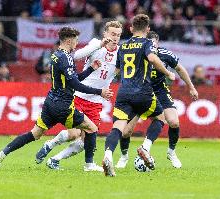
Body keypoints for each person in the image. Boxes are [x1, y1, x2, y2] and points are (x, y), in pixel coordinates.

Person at [0, 27, 113, 170]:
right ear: (69, 40)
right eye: (76, 40)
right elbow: (75, 84)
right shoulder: (66, 58)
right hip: (63, 106)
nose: (76, 44)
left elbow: (72, 80)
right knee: (92, 128)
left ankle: (2, 153)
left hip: (50, 103)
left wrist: (90, 69)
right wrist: (100, 91)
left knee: (34, 134)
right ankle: (89, 165)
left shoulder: (55, 55)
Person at [35, 21, 123, 171]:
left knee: (85, 140)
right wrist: (100, 44)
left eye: (118, 35)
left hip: (97, 101)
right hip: (80, 96)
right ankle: (56, 147)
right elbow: (76, 56)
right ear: (105, 34)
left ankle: (54, 158)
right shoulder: (96, 43)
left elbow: (119, 71)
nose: (115, 38)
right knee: (75, 132)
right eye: (112, 34)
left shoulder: (120, 53)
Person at [102, 14, 176, 177]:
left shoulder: (123, 45)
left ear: (130, 29)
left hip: (123, 92)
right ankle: (145, 147)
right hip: (142, 92)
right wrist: (167, 72)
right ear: (147, 29)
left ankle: (108, 155)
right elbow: (152, 58)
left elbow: (116, 71)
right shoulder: (147, 43)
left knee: (118, 128)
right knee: (160, 118)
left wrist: (104, 87)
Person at [115, 31, 198, 169]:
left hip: (159, 91)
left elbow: (180, 69)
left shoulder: (165, 54)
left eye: (154, 43)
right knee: (126, 131)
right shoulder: (138, 54)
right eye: (149, 43)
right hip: (140, 92)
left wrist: (191, 87)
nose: (152, 46)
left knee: (174, 122)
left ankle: (171, 152)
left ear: (157, 42)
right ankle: (124, 157)